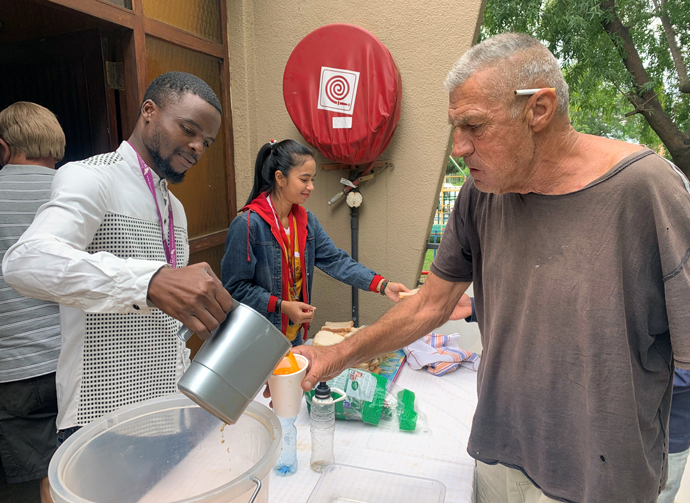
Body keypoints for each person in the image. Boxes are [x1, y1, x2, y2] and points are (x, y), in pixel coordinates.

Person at [293, 32, 690, 503]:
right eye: (454, 128)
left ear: (538, 110)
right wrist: (337, 354)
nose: (459, 148)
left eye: (474, 127)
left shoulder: (647, 190)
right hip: (500, 454)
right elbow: (429, 306)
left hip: (597, 477)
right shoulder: (480, 196)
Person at [2, 72, 233, 445]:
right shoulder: (90, 176)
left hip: (167, 411)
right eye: (188, 129)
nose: (196, 147)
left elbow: (162, 320)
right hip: (105, 420)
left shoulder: (174, 206)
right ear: (149, 111)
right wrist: (149, 280)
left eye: (205, 141)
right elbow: (25, 262)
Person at [221, 139, 408, 346]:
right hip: (258, 342)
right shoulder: (247, 224)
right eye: (304, 179)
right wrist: (281, 306)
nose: (310, 186)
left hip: (293, 337)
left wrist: (382, 285)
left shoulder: (306, 221)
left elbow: (336, 261)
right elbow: (235, 289)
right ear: (280, 178)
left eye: (313, 179)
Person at [0, 102, 65, 503]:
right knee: (86, 464)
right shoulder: (75, 192)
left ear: (4, 149)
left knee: (37, 481)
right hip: (79, 361)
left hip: (15, 370)